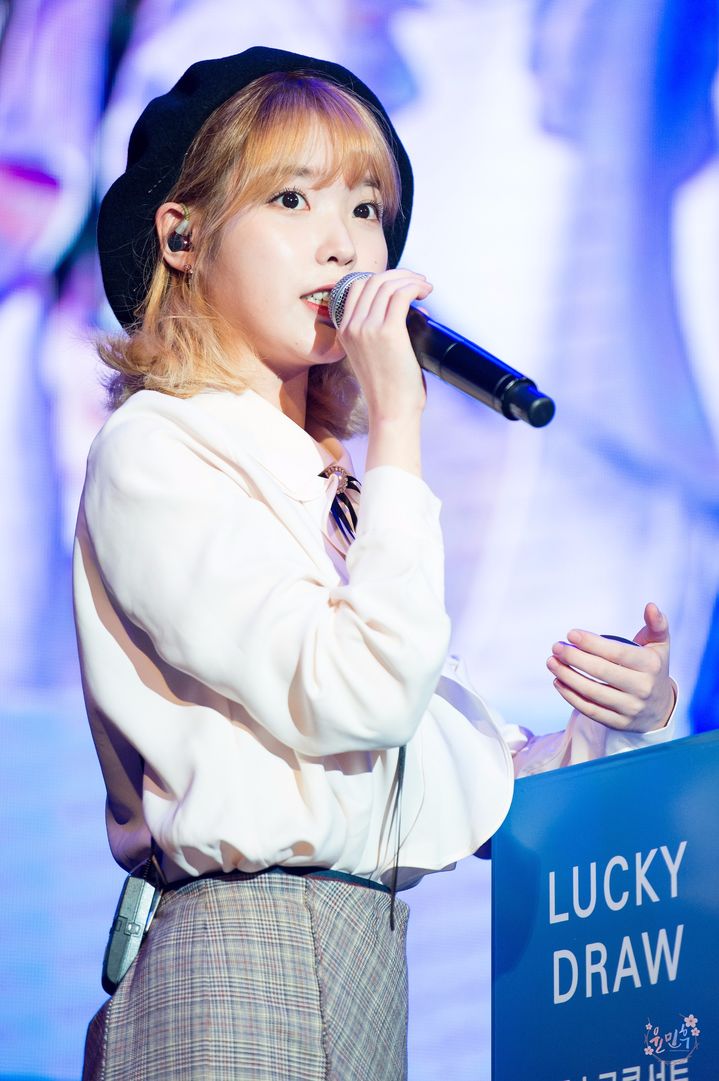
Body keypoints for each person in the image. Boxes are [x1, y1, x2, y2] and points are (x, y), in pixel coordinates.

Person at [74, 46, 676, 1081]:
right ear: (182, 234)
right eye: (292, 198)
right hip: (244, 956)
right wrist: (398, 423)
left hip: (357, 957)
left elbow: (449, 775)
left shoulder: (333, 489)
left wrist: (620, 719)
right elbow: (357, 695)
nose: (343, 244)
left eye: (366, 209)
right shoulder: (161, 449)